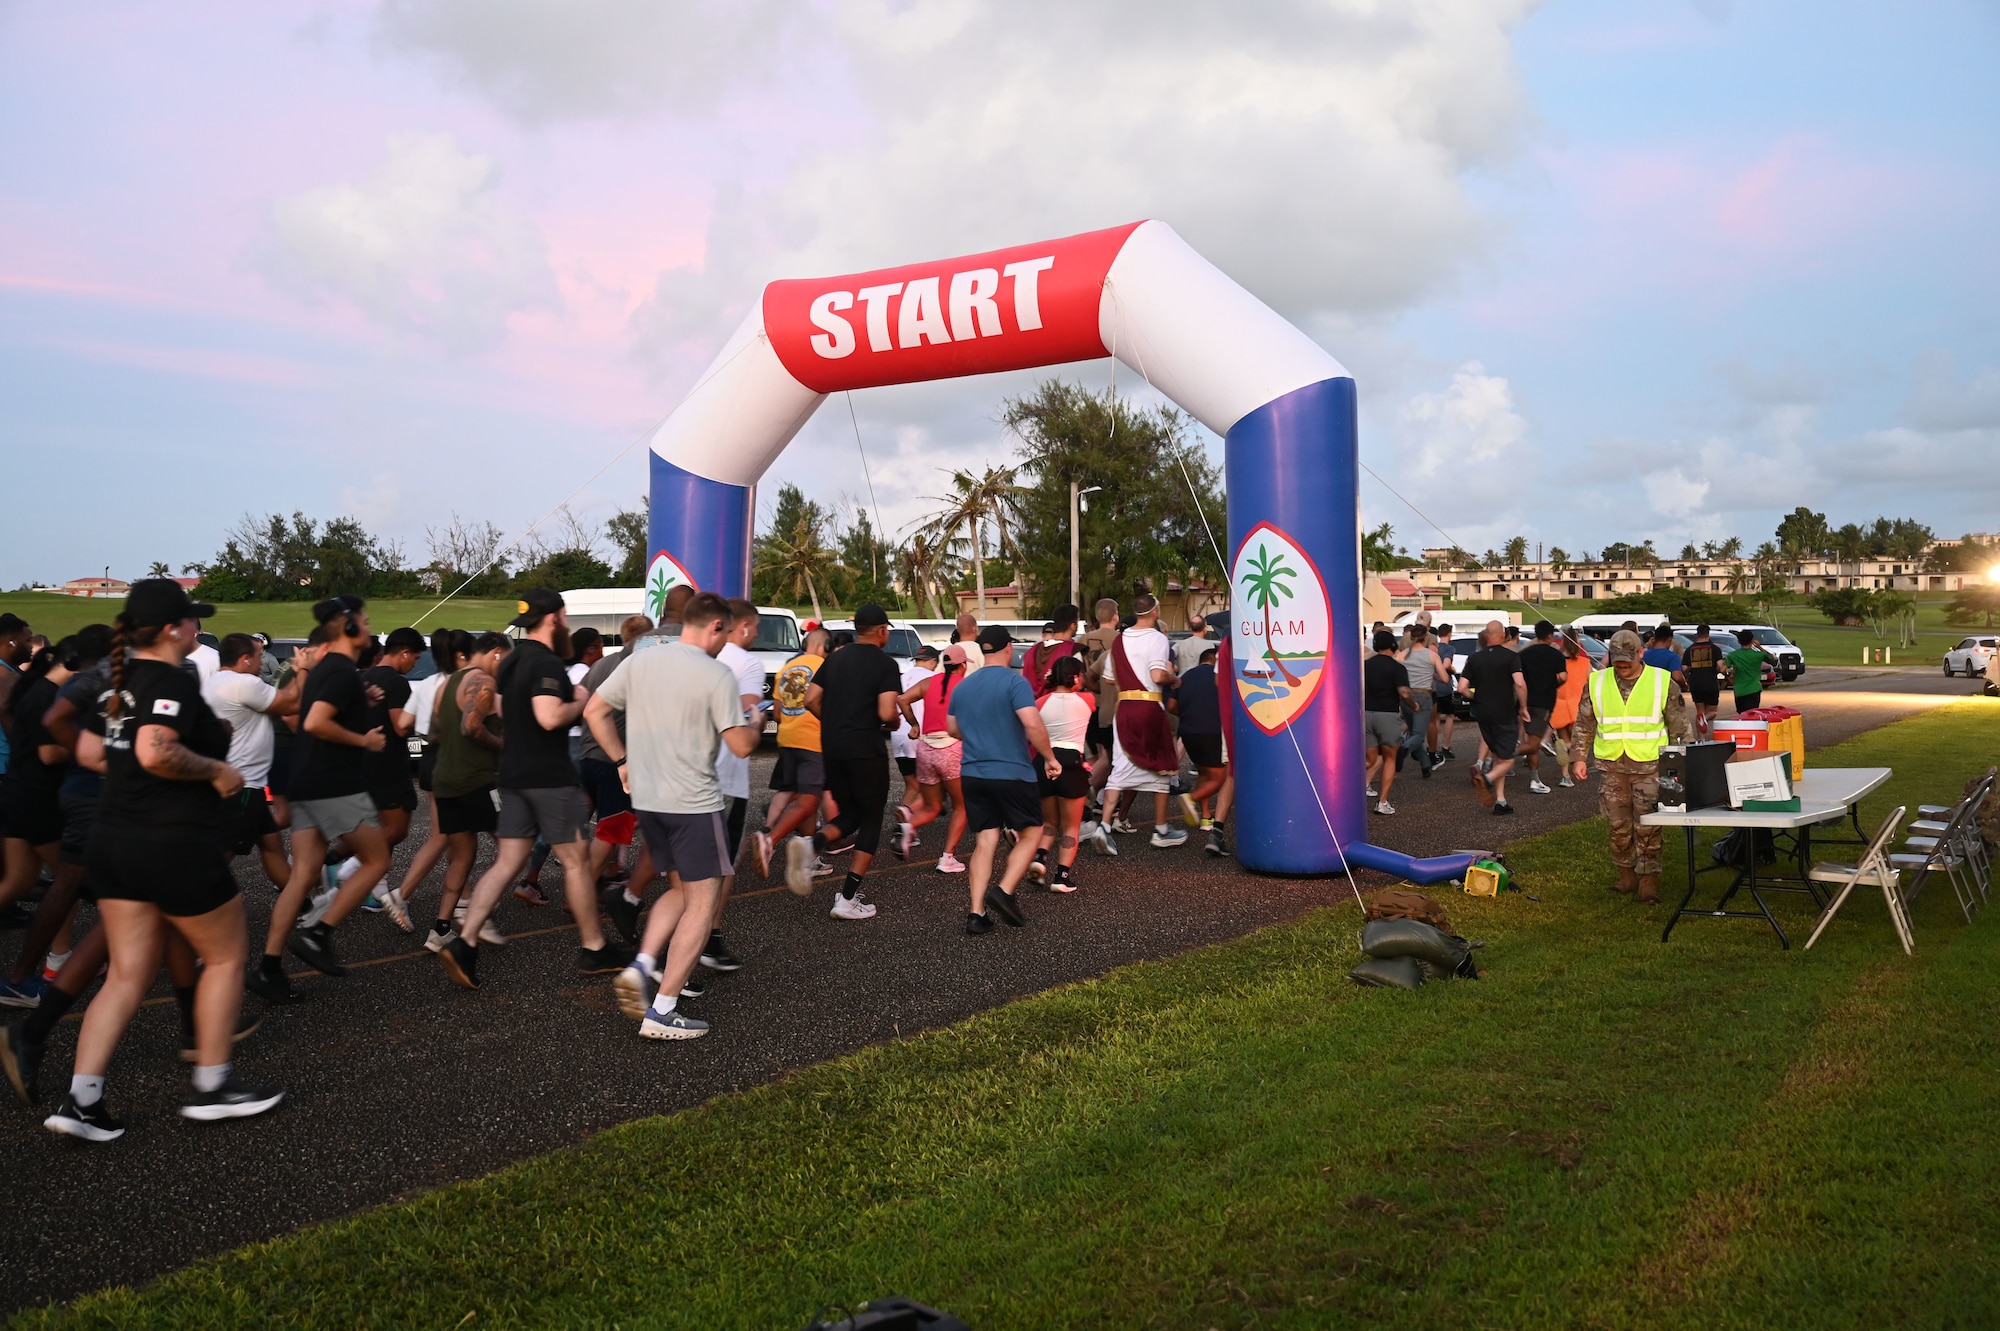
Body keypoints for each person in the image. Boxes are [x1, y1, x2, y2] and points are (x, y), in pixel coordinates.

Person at [43, 580, 281, 1139]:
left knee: (126, 975)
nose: (197, 629)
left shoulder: (116, 684)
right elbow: (156, 749)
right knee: (225, 957)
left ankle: (82, 1102)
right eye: (192, 621)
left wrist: (131, 766)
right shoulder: (169, 678)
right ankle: (212, 1084)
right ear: (174, 629)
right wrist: (219, 771)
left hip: (115, 841)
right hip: (171, 842)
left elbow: (91, 749)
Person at [440, 591, 632, 990]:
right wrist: (579, 700)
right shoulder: (547, 662)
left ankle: (465, 942)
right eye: (563, 617)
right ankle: (594, 947)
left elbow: (499, 710)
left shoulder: (509, 663)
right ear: (556, 618)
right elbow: (548, 717)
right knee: (577, 862)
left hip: (512, 775)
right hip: (548, 777)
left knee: (507, 861)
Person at [590, 593, 760, 1041]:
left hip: (648, 797)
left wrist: (621, 760)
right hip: (693, 802)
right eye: (725, 634)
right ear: (716, 628)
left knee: (683, 890)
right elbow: (741, 745)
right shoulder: (715, 673)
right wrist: (757, 720)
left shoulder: (642, 658)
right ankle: (662, 1011)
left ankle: (643, 964)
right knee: (704, 902)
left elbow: (594, 711)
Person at [252, 598, 398, 1001]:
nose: (369, 627)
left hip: (305, 782)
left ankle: (268, 967)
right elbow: (315, 722)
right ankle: (318, 934)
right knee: (378, 859)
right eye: (365, 622)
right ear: (348, 628)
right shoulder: (339, 670)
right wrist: (364, 739)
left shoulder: (326, 670)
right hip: (334, 784)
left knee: (303, 876)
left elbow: (311, 715)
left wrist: (358, 703)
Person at [786, 604, 902, 918]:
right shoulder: (885, 664)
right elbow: (886, 712)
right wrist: (893, 723)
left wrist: (835, 723)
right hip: (865, 747)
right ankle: (847, 898)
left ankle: (812, 846)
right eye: (887, 629)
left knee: (851, 814)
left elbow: (810, 699)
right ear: (880, 631)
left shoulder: (834, 658)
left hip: (833, 747)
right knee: (873, 819)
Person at [949, 625, 1062, 934]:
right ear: (1008, 648)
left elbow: (952, 729)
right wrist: (1050, 758)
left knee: (985, 841)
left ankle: (976, 913)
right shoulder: (1015, 681)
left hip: (973, 773)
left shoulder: (964, 686)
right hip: (1012, 773)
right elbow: (1032, 722)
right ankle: (1005, 890)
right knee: (1032, 832)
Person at [1568, 629, 1693, 903]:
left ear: (1640, 653)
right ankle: (1626, 877)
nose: (1622, 667)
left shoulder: (1661, 682)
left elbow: (1680, 728)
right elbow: (1584, 723)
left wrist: (1679, 771)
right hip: (1613, 768)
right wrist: (1578, 757)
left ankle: (1648, 882)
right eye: (1617, 661)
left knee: (1648, 827)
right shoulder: (1597, 682)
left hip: (1650, 768)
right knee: (1618, 826)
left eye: (1628, 660)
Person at [407, 631, 508, 952]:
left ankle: (440, 930)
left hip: (445, 780)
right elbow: (471, 726)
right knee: (513, 848)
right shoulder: (483, 682)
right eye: (505, 660)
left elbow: (433, 733)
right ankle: (478, 917)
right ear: (495, 653)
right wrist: (500, 743)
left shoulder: (445, 684)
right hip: (475, 780)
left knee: (462, 857)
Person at [381, 628, 473, 932]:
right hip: (454, 760)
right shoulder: (462, 683)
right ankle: (402, 894)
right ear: (463, 655)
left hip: (430, 761)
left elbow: (404, 724)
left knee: (457, 834)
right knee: (445, 834)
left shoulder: (425, 684)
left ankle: (463, 895)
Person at [202, 632, 301, 890]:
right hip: (243, 784)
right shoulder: (243, 684)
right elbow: (290, 703)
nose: (262, 662)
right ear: (245, 659)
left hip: (242, 781)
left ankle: (304, 907)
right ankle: (186, 903)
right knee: (224, 851)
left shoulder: (215, 682)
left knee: (272, 848)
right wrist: (302, 670)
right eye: (258, 657)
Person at [574, 615, 655, 920]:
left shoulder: (599, 666)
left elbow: (581, 703)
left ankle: (593, 883)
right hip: (613, 760)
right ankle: (579, 896)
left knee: (599, 828)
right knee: (612, 831)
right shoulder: (637, 668)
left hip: (586, 756)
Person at [701, 599, 767, 969]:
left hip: (687, 775)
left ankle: (632, 902)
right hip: (727, 775)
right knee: (722, 865)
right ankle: (709, 937)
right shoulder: (748, 663)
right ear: (741, 627)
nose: (756, 635)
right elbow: (744, 715)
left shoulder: (692, 657)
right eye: (755, 628)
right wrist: (758, 721)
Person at [1093, 595, 1187, 847]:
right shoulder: (1157, 638)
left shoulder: (1119, 640)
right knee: (1164, 763)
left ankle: (1104, 826)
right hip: (1149, 706)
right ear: (1155, 612)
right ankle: (1161, 830)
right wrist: (1174, 679)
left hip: (1123, 707)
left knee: (1120, 768)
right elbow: (1157, 674)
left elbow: (1110, 678)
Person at [758, 626, 830, 881]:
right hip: (813, 740)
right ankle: (769, 839)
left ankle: (810, 858)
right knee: (810, 799)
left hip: (787, 739)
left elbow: (776, 713)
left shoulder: (787, 667)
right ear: (824, 647)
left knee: (804, 796)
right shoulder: (825, 667)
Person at [896, 644, 970, 872]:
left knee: (932, 805)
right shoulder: (966, 686)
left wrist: (915, 725)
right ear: (963, 665)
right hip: (951, 749)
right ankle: (947, 858)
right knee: (961, 807)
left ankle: (908, 826)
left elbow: (902, 700)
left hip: (926, 748)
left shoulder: (929, 682)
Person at [1028, 654, 1094, 890]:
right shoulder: (1087, 700)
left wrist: (1046, 684)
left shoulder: (1040, 703)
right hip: (1071, 765)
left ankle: (1040, 859)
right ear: (1076, 677)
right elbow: (1090, 687)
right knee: (1071, 827)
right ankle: (1062, 877)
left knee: (1049, 822)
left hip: (1044, 763)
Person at [1457, 620, 1528, 816]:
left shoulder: (1474, 658)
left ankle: (1501, 800)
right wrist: (1523, 707)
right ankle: (1487, 780)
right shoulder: (1511, 657)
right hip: (1504, 712)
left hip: (1483, 713)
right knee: (1509, 759)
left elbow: (1462, 688)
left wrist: (1476, 698)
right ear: (1503, 633)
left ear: (1487, 635)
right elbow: (1520, 684)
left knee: (1498, 754)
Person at [1175, 647, 1230, 852]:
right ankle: (1191, 798)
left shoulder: (1186, 675)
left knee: (1204, 773)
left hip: (1188, 732)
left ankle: (1206, 817)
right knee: (1220, 778)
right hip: (1213, 731)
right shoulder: (1221, 675)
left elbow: (1172, 704)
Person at [1515, 620, 1569, 796]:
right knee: (1533, 744)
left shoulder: (1524, 654)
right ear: (1551, 635)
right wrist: (1552, 684)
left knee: (1532, 741)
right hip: (1543, 703)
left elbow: (1518, 679)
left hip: (1524, 702)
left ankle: (1535, 779)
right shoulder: (1556, 655)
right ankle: (1503, 752)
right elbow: (1562, 676)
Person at [1362, 632, 1412, 815]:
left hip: (1366, 715)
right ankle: (1382, 802)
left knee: (1370, 759)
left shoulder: (1365, 665)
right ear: (1393, 645)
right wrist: (1413, 706)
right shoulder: (1397, 668)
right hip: (1388, 715)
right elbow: (1405, 693)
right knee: (1390, 758)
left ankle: (1349, 784)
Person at [1079, 598, 1121, 805]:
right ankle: (1088, 795)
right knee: (1110, 756)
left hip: (1089, 703)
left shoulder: (1084, 638)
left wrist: (1095, 689)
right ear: (1115, 616)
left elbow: (1084, 675)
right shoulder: (1121, 640)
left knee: (1096, 754)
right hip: (1111, 704)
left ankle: (1100, 797)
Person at [1395, 624, 1442, 781]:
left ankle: (1425, 766)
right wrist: (1432, 675)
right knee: (1419, 735)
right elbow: (1445, 678)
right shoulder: (1431, 655)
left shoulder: (1402, 655)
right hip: (1424, 695)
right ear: (1426, 638)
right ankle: (1404, 748)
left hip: (1406, 696)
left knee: (1414, 731)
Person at [1548, 627, 1591, 788]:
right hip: (1577, 706)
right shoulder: (1585, 663)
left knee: (1563, 740)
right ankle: (1574, 768)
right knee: (1576, 741)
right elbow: (1591, 684)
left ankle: (1565, 775)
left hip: (1558, 705)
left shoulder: (1557, 662)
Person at [1022, 604, 1081, 700]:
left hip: (1031, 706)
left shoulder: (1031, 651)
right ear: (1073, 626)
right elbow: (1078, 684)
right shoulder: (1072, 651)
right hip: (1061, 707)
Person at [1681, 623, 1723, 739]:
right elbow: (1720, 666)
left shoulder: (1690, 649)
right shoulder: (1714, 649)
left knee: (1700, 711)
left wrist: (1691, 669)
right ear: (1708, 634)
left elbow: (1684, 668)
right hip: (1710, 682)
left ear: (1697, 634)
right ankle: (1705, 719)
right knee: (1713, 712)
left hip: (1695, 683)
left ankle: (1701, 739)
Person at [1429, 623, 1459, 763]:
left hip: (1432, 686)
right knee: (1450, 715)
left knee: (1435, 717)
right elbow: (1446, 665)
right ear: (1449, 633)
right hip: (1444, 685)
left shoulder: (1433, 647)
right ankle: (1445, 746)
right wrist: (1449, 670)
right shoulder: (1449, 649)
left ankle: (1432, 747)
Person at [1722, 629, 1771, 714]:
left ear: (1738, 641)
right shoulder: (1758, 655)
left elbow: (1723, 669)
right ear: (1752, 641)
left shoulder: (1733, 655)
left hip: (1739, 689)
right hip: (1754, 688)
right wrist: (1759, 647)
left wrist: (1728, 677)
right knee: (1751, 714)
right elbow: (1771, 658)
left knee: (1742, 714)